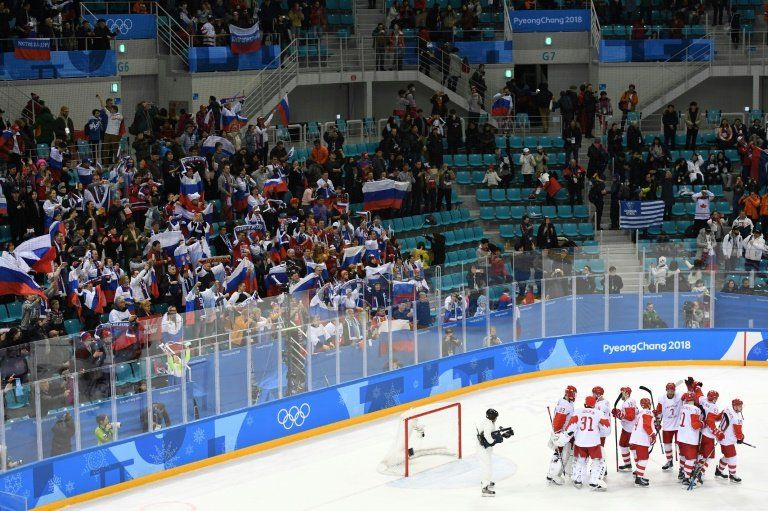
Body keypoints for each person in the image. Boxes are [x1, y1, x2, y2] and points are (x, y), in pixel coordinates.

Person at [558, 395, 610, 490]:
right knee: (598, 461)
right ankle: (594, 482)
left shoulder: (577, 412)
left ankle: (578, 480)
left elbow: (570, 428)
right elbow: (607, 430)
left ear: (585, 404)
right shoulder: (599, 413)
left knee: (580, 461)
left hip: (580, 442)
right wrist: (598, 432)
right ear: (594, 404)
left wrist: (562, 440)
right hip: (594, 443)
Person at [476, 408, 512, 496]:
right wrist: (496, 440)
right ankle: (485, 487)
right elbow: (488, 437)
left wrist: (501, 435)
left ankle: (486, 481)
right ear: (492, 417)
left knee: (487, 466)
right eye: (495, 417)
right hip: (483, 449)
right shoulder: (488, 424)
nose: (496, 418)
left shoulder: (487, 422)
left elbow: (491, 434)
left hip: (483, 448)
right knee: (487, 467)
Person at [546, 385, 576, 485]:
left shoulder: (565, 402)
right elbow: (558, 421)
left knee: (558, 454)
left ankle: (551, 474)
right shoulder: (565, 405)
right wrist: (558, 435)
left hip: (562, 433)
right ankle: (554, 475)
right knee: (560, 455)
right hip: (562, 434)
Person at [677, 391, 704, 487]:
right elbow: (695, 425)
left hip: (680, 437)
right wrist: (703, 423)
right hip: (690, 438)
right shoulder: (695, 409)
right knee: (691, 458)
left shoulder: (682, 407)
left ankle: (682, 472)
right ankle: (686, 478)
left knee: (683, 456)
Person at [714, 398, 744, 483]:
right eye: (739, 406)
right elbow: (738, 433)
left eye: (741, 405)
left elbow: (718, 418)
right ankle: (732, 475)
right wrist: (741, 438)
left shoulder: (727, 409)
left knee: (727, 456)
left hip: (721, 436)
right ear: (734, 406)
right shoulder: (736, 418)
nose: (741, 407)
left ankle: (719, 471)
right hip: (727, 440)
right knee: (732, 457)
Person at [654, 382, 682, 473]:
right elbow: (658, 412)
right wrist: (657, 421)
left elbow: (689, 397)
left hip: (678, 426)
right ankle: (669, 461)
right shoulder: (662, 398)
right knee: (667, 445)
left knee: (681, 446)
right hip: (667, 426)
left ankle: (682, 465)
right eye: (669, 390)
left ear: (675, 390)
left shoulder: (680, 396)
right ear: (666, 390)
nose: (671, 392)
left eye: (672, 390)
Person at [629, 397, 656, 487]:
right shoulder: (648, 412)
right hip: (641, 440)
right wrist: (652, 434)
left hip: (634, 439)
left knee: (639, 458)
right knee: (644, 458)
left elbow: (645, 423)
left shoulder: (640, 413)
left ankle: (638, 474)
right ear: (649, 404)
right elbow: (646, 425)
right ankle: (639, 479)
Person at [611, 386, 638, 472]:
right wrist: (619, 412)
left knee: (633, 448)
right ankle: (628, 464)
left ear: (626, 393)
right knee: (623, 445)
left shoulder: (628, 402)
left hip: (631, 429)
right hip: (626, 428)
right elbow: (631, 413)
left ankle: (638, 468)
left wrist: (619, 415)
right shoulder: (628, 401)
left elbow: (630, 417)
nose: (620, 394)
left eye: (621, 392)